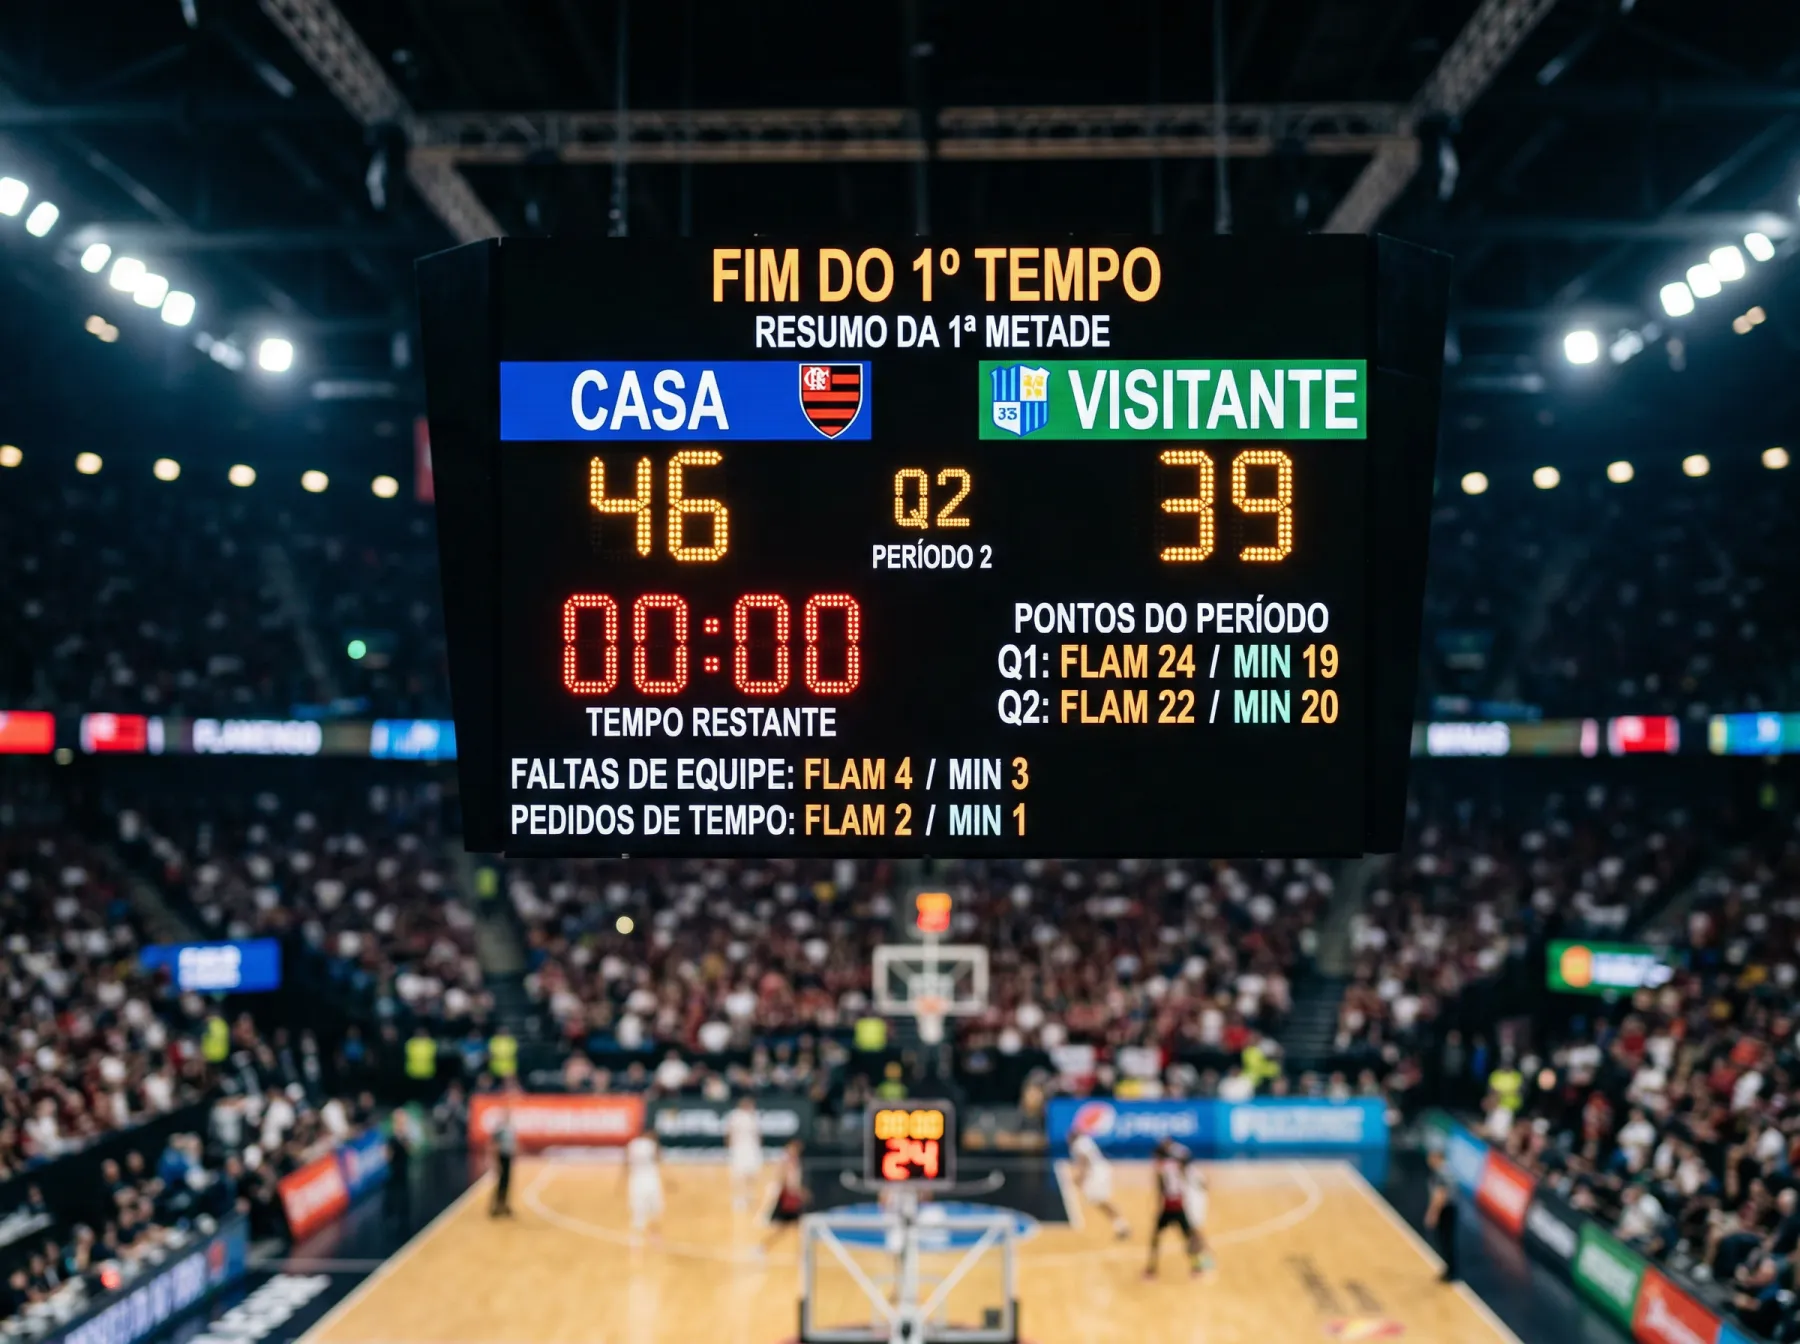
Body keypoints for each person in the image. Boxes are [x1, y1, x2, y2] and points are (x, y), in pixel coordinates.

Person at [1144, 1139, 1203, 1278]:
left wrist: (1159, 1208)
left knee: (1156, 1238)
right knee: (1188, 1237)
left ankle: (1152, 1270)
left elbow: (1161, 1190)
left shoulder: (1161, 1169)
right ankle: (1196, 1268)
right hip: (1180, 1205)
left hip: (1169, 1206)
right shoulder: (1177, 1165)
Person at [1067, 1126, 1129, 1239]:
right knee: (1098, 1201)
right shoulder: (1085, 1141)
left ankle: (1121, 1225)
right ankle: (1120, 1225)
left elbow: (1084, 1161)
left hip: (1096, 1173)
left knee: (1099, 1200)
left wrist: (1080, 1178)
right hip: (1098, 1171)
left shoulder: (1079, 1144)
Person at [762, 1140, 809, 1253]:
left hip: (793, 1199)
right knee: (783, 1228)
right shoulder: (788, 1163)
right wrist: (800, 1193)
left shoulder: (794, 1162)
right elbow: (788, 1182)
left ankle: (803, 1252)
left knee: (798, 1228)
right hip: (790, 1200)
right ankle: (763, 1247)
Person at [622, 1129, 666, 1236]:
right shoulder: (651, 1144)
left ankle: (636, 1239)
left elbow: (626, 1163)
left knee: (638, 1213)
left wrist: (621, 1182)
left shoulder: (632, 1145)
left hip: (636, 1181)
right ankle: (655, 1236)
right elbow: (659, 1158)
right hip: (651, 1181)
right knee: (655, 1211)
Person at [1424, 1150, 1458, 1282]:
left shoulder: (1440, 1173)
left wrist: (1433, 1213)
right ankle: (1450, 1269)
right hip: (1451, 1208)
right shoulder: (1447, 1169)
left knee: (1445, 1240)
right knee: (1447, 1240)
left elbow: (1440, 1195)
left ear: (1436, 1157)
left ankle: (1450, 1271)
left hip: (1446, 1210)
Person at [725, 1097, 763, 1213]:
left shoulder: (754, 1117)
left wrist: (758, 1148)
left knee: (751, 1175)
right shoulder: (735, 1116)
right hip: (739, 1149)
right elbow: (729, 1133)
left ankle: (749, 1196)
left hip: (752, 1149)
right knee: (738, 1176)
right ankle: (738, 1199)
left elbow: (758, 1134)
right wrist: (730, 1148)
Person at [1183, 1157, 1215, 1275]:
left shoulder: (1192, 1174)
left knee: (1198, 1237)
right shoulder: (1191, 1174)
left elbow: (1205, 1185)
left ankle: (1208, 1263)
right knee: (1194, 1239)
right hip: (1192, 1210)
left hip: (1195, 1210)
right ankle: (1198, 1266)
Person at [386, 1110, 414, 1232]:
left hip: (403, 1167)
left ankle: (404, 1215)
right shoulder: (392, 1137)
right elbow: (388, 1155)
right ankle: (391, 1215)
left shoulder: (404, 1136)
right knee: (393, 1192)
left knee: (404, 1192)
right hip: (394, 1168)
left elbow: (410, 1151)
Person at [489, 1107, 517, 1218]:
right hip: (502, 1156)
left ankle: (504, 1204)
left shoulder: (510, 1128)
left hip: (508, 1156)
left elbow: (513, 1144)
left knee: (507, 1181)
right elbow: (494, 1144)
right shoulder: (500, 1129)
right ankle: (496, 1206)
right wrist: (495, 1161)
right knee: (501, 1182)